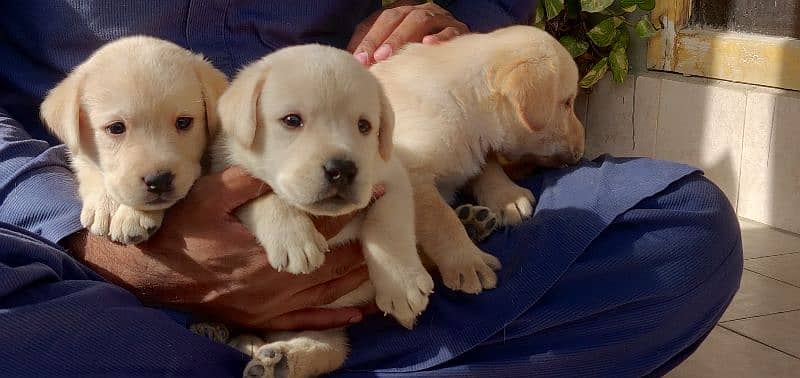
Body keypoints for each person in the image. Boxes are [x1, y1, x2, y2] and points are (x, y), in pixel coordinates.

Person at [0, 1, 742, 376]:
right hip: (72, 244)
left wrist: (451, 31)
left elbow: (482, 39)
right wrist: (85, 235)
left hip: (357, 186)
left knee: (675, 236)